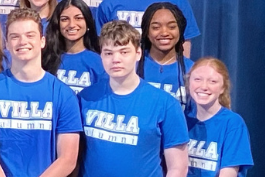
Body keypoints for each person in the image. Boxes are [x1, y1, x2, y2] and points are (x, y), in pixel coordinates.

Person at [0, 9, 82, 177]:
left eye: (30, 35)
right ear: (7, 44)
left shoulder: (64, 94)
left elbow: (68, 159)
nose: (22, 42)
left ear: (42, 41)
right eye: (15, 37)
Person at [78, 20, 189, 177]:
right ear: (101, 55)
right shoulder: (85, 98)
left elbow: (178, 167)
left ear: (138, 53)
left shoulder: (165, 104)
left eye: (124, 52)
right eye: (108, 53)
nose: (116, 59)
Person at [186, 58, 254, 177]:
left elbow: (228, 173)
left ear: (223, 88)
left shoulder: (233, 123)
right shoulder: (181, 119)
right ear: (189, 83)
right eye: (197, 79)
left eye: (212, 81)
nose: (204, 86)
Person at [42, 0, 105, 94]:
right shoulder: (46, 59)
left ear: (87, 22)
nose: (71, 24)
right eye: (65, 19)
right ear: (57, 24)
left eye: (78, 18)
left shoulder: (99, 62)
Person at [138, 3, 194, 106]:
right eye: (156, 27)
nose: (164, 33)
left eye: (172, 27)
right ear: (146, 31)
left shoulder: (193, 71)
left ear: (180, 30)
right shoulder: (132, 65)